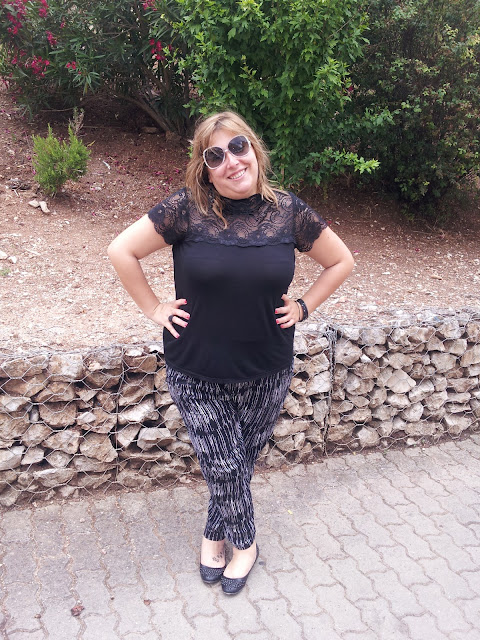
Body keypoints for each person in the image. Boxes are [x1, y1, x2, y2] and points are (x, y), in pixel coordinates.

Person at [107, 111, 354, 595]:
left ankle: (213, 533)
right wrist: (154, 307)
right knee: (223, 464)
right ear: (205, 168)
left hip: (267, 366)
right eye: (215, 155)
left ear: (254, 149)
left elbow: (341, 261)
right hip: (195, 367)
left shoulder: (289, 211)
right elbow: (121, 250)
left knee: (237, 461)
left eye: (238, 147)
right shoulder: (186, 208)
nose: (231, 161)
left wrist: (305, 306)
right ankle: (245, 544)